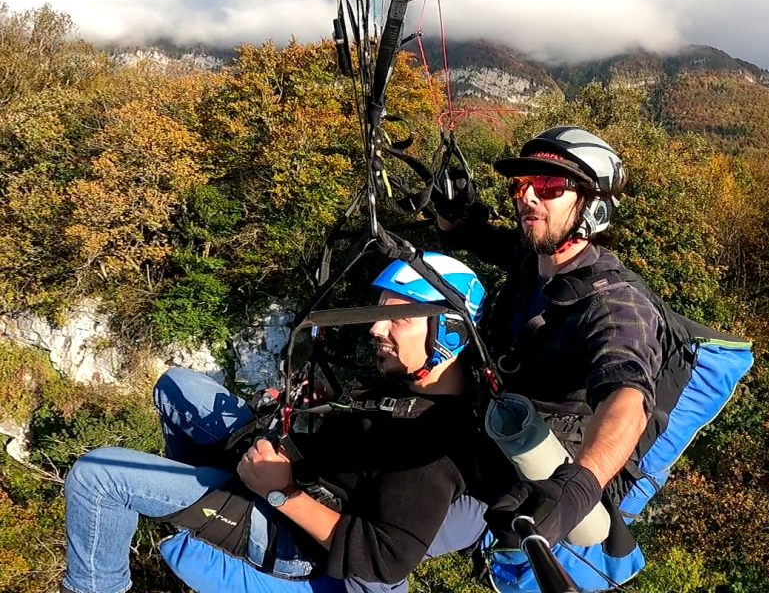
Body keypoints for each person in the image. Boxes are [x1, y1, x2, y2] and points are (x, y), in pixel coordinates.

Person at [60, 253, 489, 593]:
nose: (376, 328)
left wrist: (280, 492)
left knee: (96, 478)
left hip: (293, 531)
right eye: (379, 313)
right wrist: (326, 402)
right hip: (293, 473)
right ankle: (194, 501)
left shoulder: (432, 447)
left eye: (399, 319)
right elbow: (368, 437)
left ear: (449, 334)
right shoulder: (409, 384)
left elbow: (384, 560)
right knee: (176, 386)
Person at [434, 126, 662, 551]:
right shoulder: (532, 256)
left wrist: (579, 485)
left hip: (519, 474)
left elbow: (627, 396)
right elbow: (467, 235)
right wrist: (451, 207)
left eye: (550, 185)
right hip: (474, 423)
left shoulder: (616, 306)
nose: (528, 196)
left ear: (594, 209)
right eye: (521, 185)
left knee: (379, 536)